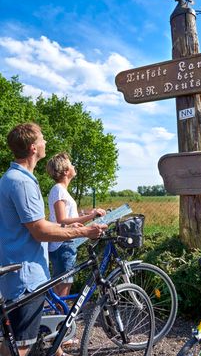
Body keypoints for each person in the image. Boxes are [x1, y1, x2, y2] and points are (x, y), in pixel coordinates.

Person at [0, 123, 107, 356]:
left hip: (22, 270)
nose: (45, 142)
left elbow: (37, 223)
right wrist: (85, 231)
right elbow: (39, 231)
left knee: (30, 337)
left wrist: (67, 225)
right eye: (42, 139)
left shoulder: (13, 178)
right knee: (19, 347)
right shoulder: (22, 182)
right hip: (25, 276)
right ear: (33, 148)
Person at [46, 152, 106, 297]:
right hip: (63, 244)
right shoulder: (59, 190)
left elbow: (68, 218)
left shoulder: (60, 190)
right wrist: (91, 216)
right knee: (64, 286)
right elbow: (62, 220)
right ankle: (61, 318)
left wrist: (85, 215)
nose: (74, 166)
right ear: (66, 171)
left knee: (62, 284)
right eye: (71, 164)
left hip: (63, 243)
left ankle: (58, 316)